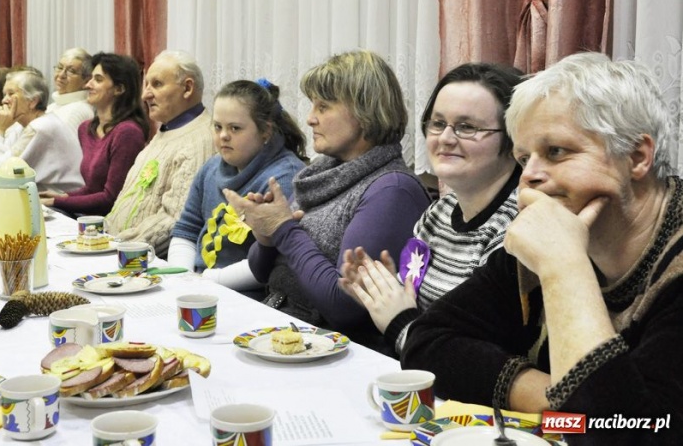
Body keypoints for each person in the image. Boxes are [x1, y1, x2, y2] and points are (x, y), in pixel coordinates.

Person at [402, 53, 683, 444]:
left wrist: (564, 268)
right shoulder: (550, 232)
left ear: (637, 157)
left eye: (556, 152)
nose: (529, 176)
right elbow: (427, 343)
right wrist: (563, 401)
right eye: (523, 157)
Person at [224, 51, 430, 347]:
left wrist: (284, 229)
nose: (310, 119)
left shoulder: (392, 190)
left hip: (335, 354)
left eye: (323, 106)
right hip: (282, 329)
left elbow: (344, 306)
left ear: (364, 113)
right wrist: (267, 234)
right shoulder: (324, 174)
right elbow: (261, 270)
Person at [339, 63, 523, 358]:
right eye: (438, 123)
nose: (446, 138)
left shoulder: (517, 228)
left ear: (513, 140)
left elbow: (470, 359)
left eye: (467, 127)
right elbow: (418, 309)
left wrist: (397, 321)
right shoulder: (438, 213)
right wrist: (383, 291)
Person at [168, 79, 308, 297]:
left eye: (235, 128)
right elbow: (187, 228)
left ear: (266, 132)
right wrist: (180, 278)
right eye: (217, 127)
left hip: (248, 297)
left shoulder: (284, 177)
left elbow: (275, 258)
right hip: (197, 286)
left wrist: (206, 280)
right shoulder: (211, 167)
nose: (223, 135)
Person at [104, 50, 214, 257]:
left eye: (157, 84)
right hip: (117, 249)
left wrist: (116, 247)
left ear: (187, 88)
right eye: (147, 85)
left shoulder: (200, 140)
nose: (145, 95)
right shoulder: (168, 129)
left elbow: (176, 221)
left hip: (141, 261)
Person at [39, 53, 148, 217]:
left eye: (98, 79)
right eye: (90, 78)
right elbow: (92, 189)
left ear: (119, 89)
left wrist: (58, 202)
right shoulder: (86, 128)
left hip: (112, 222)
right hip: (88, 218)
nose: (88, 85)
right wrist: (63, 196)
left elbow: (111, 198)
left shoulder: (127, 133)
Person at [0, 69, 83, 192]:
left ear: (32, 101)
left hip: (62, 206)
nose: (4, 100)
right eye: (4, 94)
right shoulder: (20, 126)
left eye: (11, 94)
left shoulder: (41, 128)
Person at [47, 48, 94, 135]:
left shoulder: (78, 111)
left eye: (71, 71)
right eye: (60, 67)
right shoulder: (53, 106)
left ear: (86, 81)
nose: (61, 75)